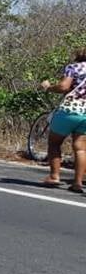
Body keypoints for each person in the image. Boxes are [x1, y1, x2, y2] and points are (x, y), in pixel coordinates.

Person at [40, 47, 86, 192]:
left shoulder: (74, 67)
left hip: (69, 110)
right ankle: (77, 183)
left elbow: (64, 86)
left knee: (54, 143)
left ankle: (54, 176)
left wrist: (48, 87)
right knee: (80, 148)